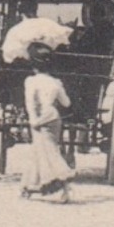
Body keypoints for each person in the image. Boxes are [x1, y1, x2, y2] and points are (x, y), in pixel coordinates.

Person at [20, 44, 75, 201]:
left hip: (38, 120)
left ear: (33, 66)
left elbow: (29, 103)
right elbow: (66, 103)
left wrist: (33, 121)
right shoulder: (55, 83)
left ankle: (65, 186)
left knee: (48, 153)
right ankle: (28, 186)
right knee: (42, 151)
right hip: (53, 119)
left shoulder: (30, 82)